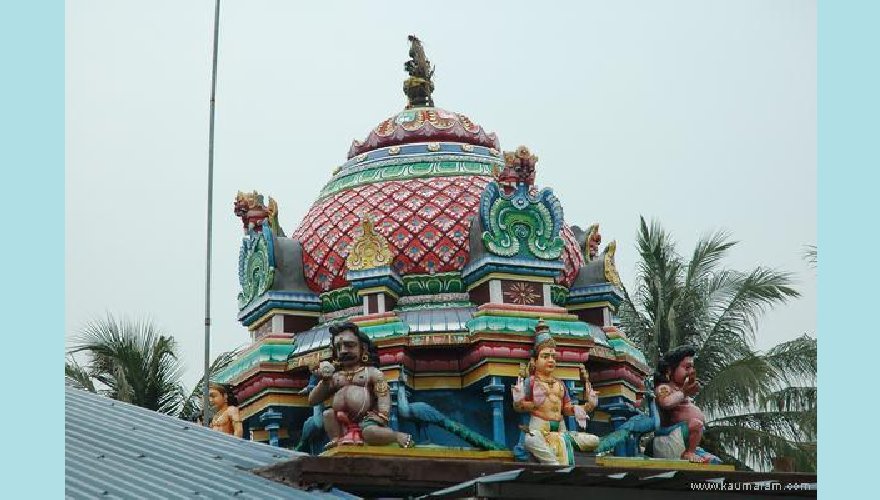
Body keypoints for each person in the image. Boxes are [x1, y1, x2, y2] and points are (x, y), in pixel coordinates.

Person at [307, 322, 413, 448]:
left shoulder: (372, 373)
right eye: (339, 347)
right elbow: (313, 400)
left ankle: (397, 436)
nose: (344, 351)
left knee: (369, 433)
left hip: (368, 420)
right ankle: (336, 439)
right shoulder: (336, 377)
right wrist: (324, 381)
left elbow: (383, 395)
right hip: (340, 421)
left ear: (363, 348)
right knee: (327, 414)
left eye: (349, 345)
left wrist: (382, 416)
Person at [512, 320, 599, 465]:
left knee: (594, 440)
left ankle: (557, 463)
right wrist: (531, 404)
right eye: (545, 356)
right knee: (531, 440)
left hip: (561, 432)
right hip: (538, 431)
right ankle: (554, 466)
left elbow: (567, 409)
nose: (551, 360)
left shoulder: (560, 384)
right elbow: (518, 407)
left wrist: (588, 406)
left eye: (553, 356)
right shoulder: (531, 382)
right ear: (534, 360)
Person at [653, 345, 718, 463]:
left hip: (685, 439)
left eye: (692, 367)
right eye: (687, 367)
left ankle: (691, 450)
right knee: (696, 424)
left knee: (714, 460)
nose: (691, 371)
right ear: (669, 370)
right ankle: (689, 453)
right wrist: (684, 393)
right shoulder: (664, 387)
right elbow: (665, 403)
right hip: (669, 437)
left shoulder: (681, 389)